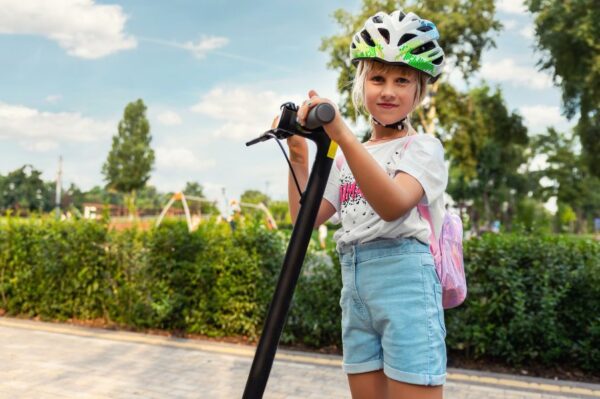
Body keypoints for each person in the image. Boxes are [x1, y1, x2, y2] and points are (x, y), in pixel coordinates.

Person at [281, 9, 448, 399]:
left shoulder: (422, 148)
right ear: (362, 83)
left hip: (404, 282)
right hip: (354, 285)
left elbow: (393, 205)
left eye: (402, 80)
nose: (388, 90)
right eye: (377, 78)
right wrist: (299, 157)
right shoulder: (346, 157)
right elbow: (302, 220)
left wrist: (339, 133)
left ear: (418, 91)